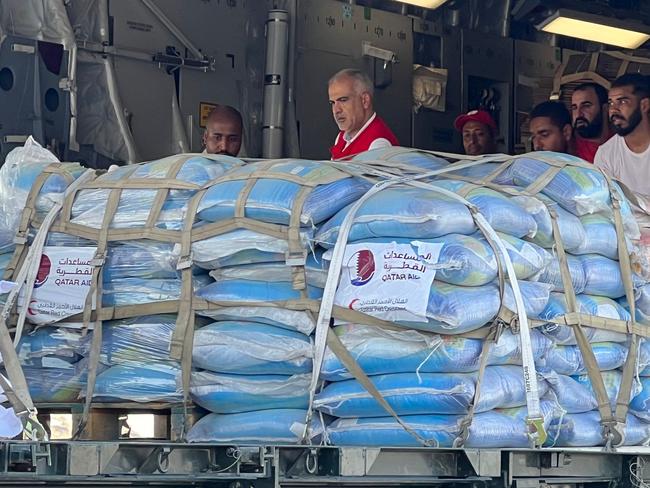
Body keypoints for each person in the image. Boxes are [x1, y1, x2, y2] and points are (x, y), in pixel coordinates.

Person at [595, 73, 650, 195]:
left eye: (623, 102)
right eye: (611, 103)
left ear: (644, 105)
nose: (614, 109)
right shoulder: (605, 154)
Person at [328, 68, 398, 159]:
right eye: (332, 103)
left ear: (364, 100)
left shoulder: (378, 144)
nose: (336, 110)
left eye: (343, 100)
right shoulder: (342, 136)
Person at [570, 82, 612, 163]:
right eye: (574, 108)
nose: (579, 114)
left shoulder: (621, 142)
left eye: (586, 106)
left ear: (605, 108)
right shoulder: (570, 146)